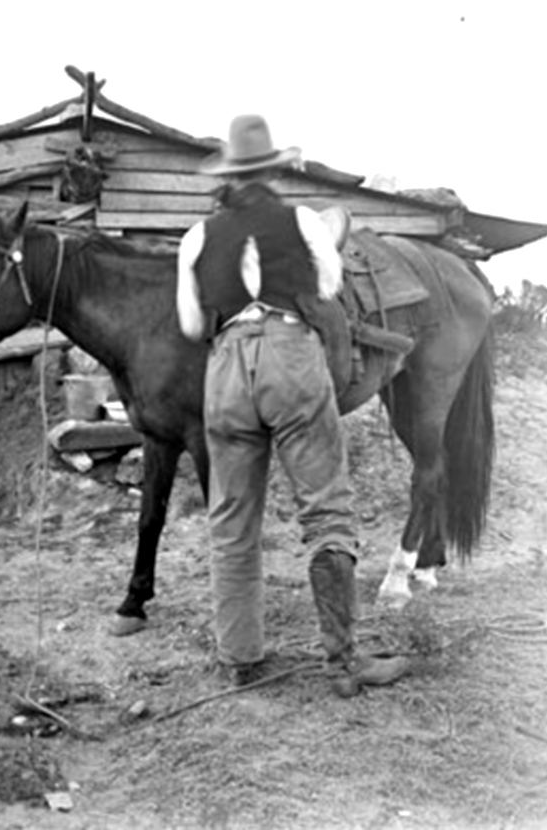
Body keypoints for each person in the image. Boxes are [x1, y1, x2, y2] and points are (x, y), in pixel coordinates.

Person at [175, 114, 409, 695]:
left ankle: (241, 658)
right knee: (325, 509)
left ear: (228, 177)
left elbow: (190, 323)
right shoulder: (301, 221)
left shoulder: (198, 237)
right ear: (272, 172)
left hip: (226, 365)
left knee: (230, 519)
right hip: (291, 355)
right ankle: (343, 663)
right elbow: (327, 288)